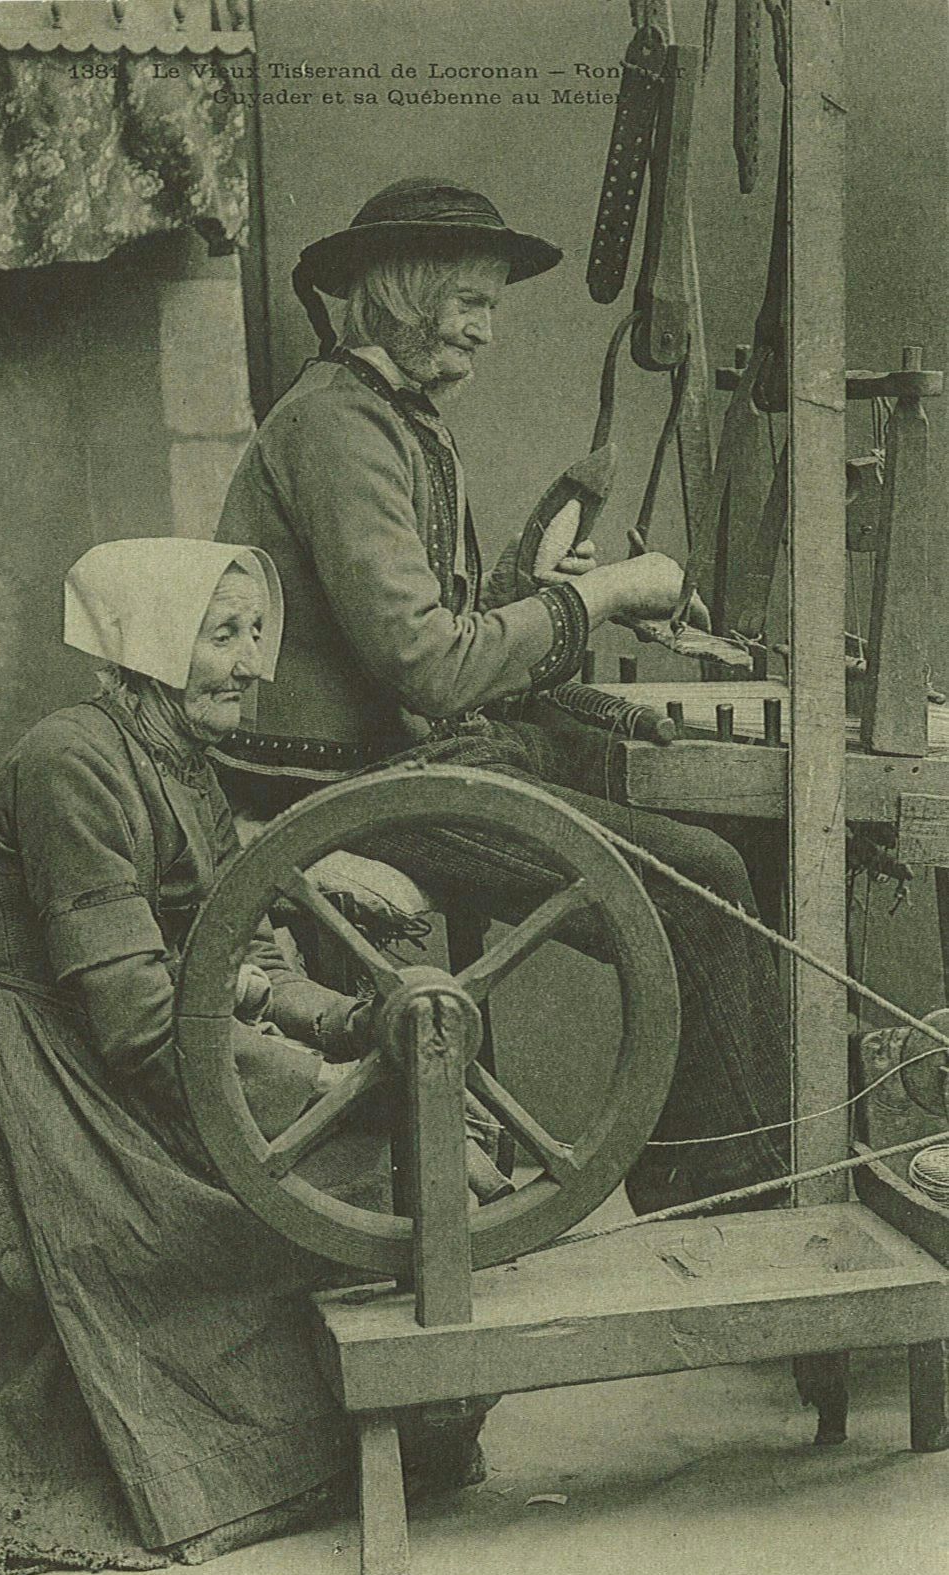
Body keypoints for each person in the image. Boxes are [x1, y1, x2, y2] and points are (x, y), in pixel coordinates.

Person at [0, 537, 483, 1575]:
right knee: (279, 1190)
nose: (253, 665)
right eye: (223, 636)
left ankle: (378, 1421)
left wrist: (350, 1027)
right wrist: (325, 1089)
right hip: (16, 1066)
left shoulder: (180, 762)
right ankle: (247, 1454)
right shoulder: (72, 766)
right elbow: (139, 1024)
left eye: (255, 634)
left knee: (380, 1137)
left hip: (112, 1039)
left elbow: (237, 952)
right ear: (152, 642)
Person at [214, 178, 792, 1211]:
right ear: (404, 294)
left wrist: (561, 599)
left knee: (734, 823)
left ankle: (709, 1166)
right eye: (472, 303)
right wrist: (607, 594)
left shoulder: (395, 417)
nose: (487, 332)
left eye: (491, 308)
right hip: (364, 784)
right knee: (703, 889)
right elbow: (433, 666)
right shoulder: (340, 431)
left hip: (420, 756)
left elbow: (440, 630)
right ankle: (729, 1202)